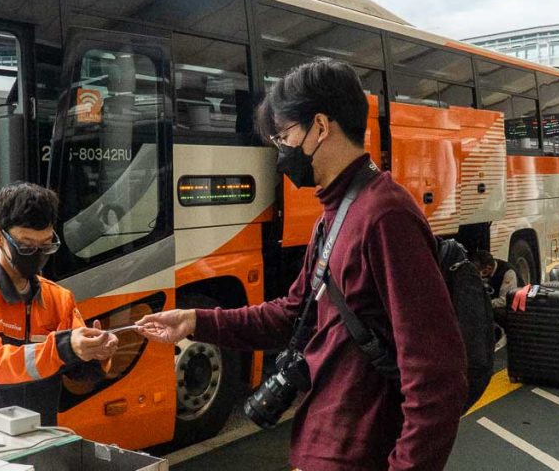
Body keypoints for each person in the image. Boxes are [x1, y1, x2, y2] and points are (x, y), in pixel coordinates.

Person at [137, 58, 467, 471]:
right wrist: (195, 321)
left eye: (284, 136)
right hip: (326, 445)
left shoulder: (385, 216)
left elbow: (437, 375)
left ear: (321, 127)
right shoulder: (336, 214)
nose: (281, 151)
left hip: (360, 453)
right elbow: (292, 316)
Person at [0, 182, 118, 424]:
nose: (37, 254)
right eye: (25, 246)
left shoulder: (59, 299)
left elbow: (79, 373)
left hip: (40, 436)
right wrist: (63, 348)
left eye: (45, 245)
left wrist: (95, 354)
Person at [469, 250, 517, 346]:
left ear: (488, 268)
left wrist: (485, 303)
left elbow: (505, 300)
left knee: (494, 312)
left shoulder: (508, 272)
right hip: (494, 300)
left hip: (513, 307)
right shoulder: (487, 272)